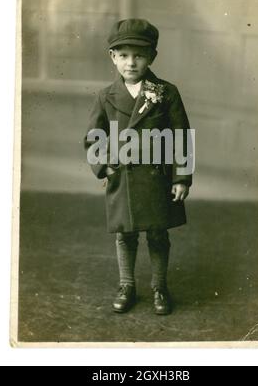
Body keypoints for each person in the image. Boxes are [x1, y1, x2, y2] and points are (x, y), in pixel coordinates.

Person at [84, 18, 193, 315]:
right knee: (125, 233)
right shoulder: (105, 96)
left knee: (158, 233)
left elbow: (181, 137)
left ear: (152, 57)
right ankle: (127, 285)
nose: (131, 63)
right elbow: (95, 137)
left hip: (157, 178)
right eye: (123, 55)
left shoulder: (166, 92)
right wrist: (104, 168)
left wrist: (181, 177)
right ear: (113, 58)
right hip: (124, 178)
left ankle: (159, 286)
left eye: (139, 55)